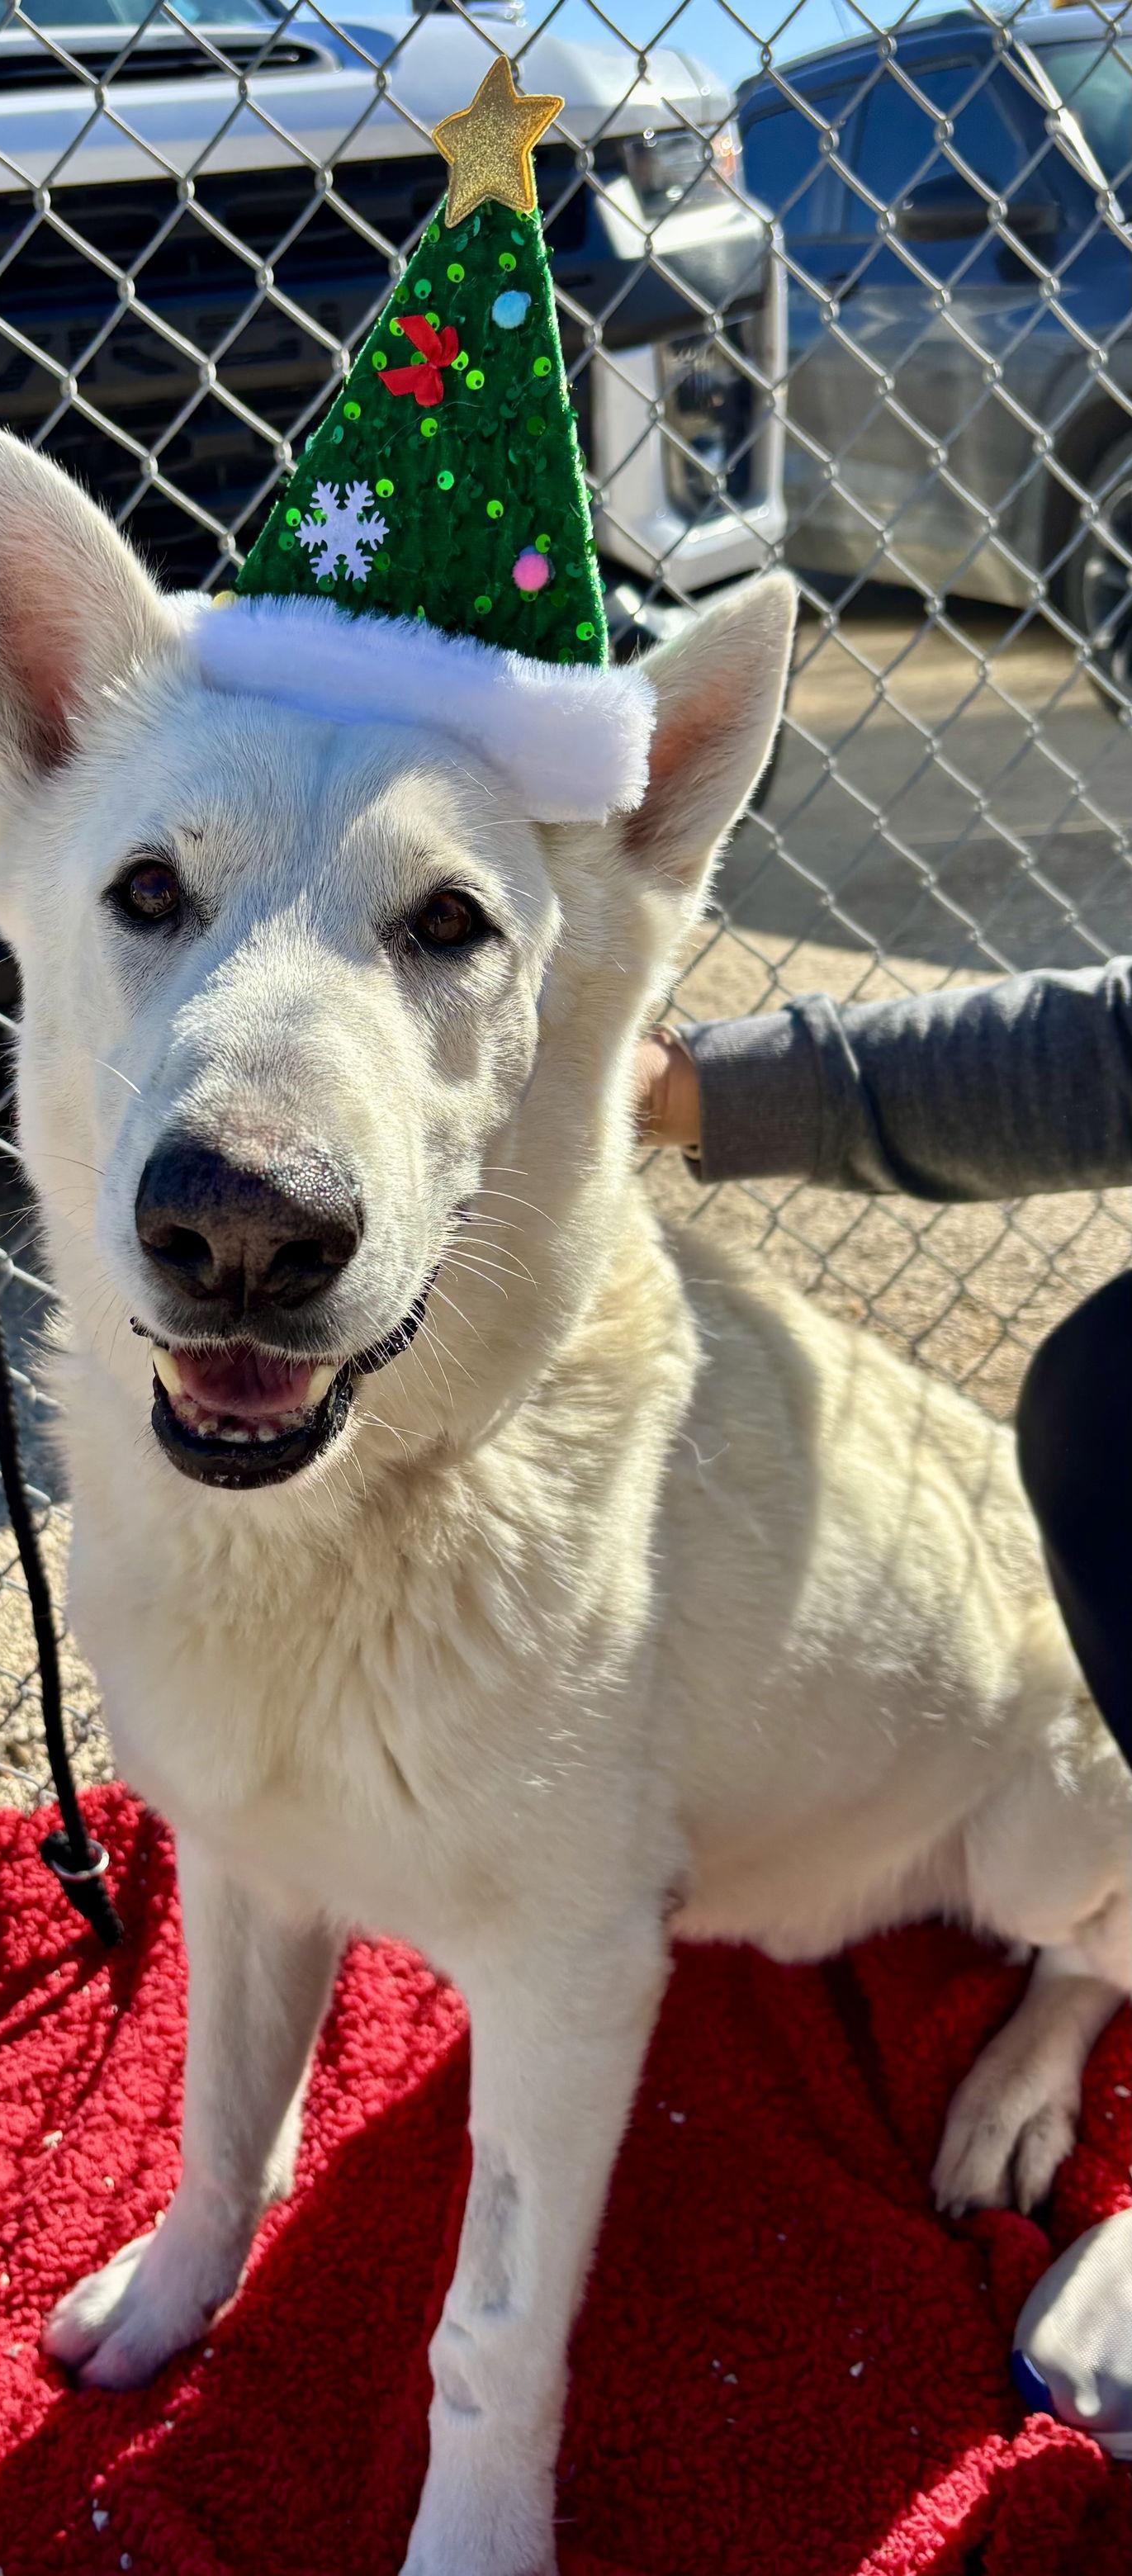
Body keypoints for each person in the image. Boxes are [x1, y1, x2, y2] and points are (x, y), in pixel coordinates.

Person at [634, 958, 1132, 2461]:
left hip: (1024, 1818)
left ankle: (1094, 1960)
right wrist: (664, 1083)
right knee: (1113, 1399)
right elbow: (1102, 1053)